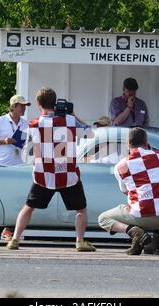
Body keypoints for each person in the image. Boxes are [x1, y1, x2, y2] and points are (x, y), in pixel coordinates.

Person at [6, 87, 96, 252]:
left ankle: (15, 239)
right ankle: (80, 241)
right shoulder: (69, 120)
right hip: (67, 174)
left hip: (43, 174)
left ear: (39, 104)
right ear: (55, 103)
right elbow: (90, 134)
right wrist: (73, 114)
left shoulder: (33, 123)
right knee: (81, 209)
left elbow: (20, 142)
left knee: (28, 207)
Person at [98, 127, 159, 255]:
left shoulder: (121, 165)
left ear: (127, 144)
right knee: (157, 196)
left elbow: (125, 191)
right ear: (147, 142)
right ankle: (157, 242)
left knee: (103, 218)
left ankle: (134, 232)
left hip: (145, 214)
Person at [0, 94, 30, 240]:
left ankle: (8, 230)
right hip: (0, 164)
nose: (24, 108)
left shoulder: (25, 124)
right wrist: (5, 141)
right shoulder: (1, 120)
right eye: (22, 105)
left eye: (25, 106)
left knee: (14, 199)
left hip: (17, 166)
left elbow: (27, 142)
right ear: (13, 106)